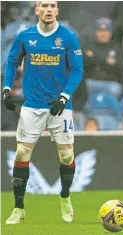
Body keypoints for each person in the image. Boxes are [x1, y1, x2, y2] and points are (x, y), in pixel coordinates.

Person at [2, 1, 83, 224]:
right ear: (37, 10)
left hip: (60, 105)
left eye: (52, 5)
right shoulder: (25, 36)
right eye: (44, 5)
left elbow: (77, 70)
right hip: (33, 105)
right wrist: (7, 87)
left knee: (66, 155)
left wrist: (64, 96)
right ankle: (19, 208)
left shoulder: (68, 36)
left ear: (57, 10)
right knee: (21, 154)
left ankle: (65, 198)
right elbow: (11, 61)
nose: (48, 9)